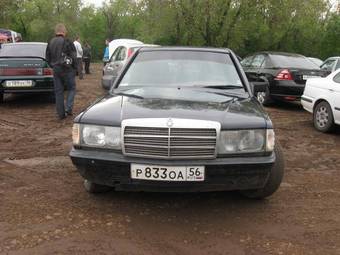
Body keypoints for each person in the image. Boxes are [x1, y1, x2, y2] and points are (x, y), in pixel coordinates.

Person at [46, 23, 77, 120]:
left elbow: (47, 58)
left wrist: (53, 66)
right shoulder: (67, 41)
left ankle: (61, 114)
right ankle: (68, 108)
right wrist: (75, 69)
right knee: (71, 88)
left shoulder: (50, 42)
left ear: (56, 31)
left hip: (56, 69)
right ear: (64, 31)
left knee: (58, 92)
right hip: (67, 69)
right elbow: (74, 57)